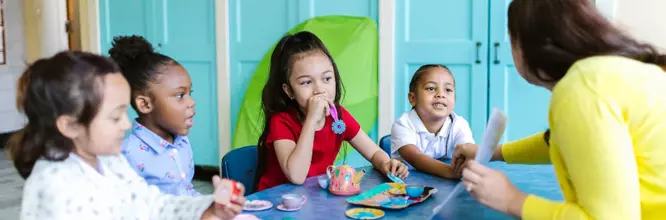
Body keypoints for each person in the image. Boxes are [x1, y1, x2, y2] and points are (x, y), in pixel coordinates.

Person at [451, 0, 666, 219]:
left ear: (526, 45)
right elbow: (572, 141)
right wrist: (495, 153)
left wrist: (512, 200)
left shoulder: (582, 89)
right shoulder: (610, 74)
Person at [9, 51, 245, 219]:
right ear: (70, 126)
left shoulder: (111, 162)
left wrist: (210, 207)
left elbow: (153, 206)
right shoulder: (56, 185)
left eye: (125, 112)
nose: (125, 124)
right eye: (114, 117)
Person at [254, 31, 409, 191]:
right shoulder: (281, 122)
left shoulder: (339, 117)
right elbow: (296, 176)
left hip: (313, 199)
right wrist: (311, 120)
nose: (319, 89)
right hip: (276, 203)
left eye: (327, 78)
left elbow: (374, 152)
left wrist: (387, 164)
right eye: (306, 82)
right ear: (289, 91)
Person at [109, 35, 199, 196]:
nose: (191, 102)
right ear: (145, 104)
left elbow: (187, 191)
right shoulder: (127, 155)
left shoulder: (182, 142)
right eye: (180, 95)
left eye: (189, 93)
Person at [391, 64, 474, 179]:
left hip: (448, 187)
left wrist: (465, 163)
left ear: (454, 99)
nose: (441, 94)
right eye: (431, 88)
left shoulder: (459, 124)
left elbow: (467, 151)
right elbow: (415, 157)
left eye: (448, 90)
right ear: (412, 98)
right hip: (409, 186)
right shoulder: (403, 124)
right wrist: (451, 172)